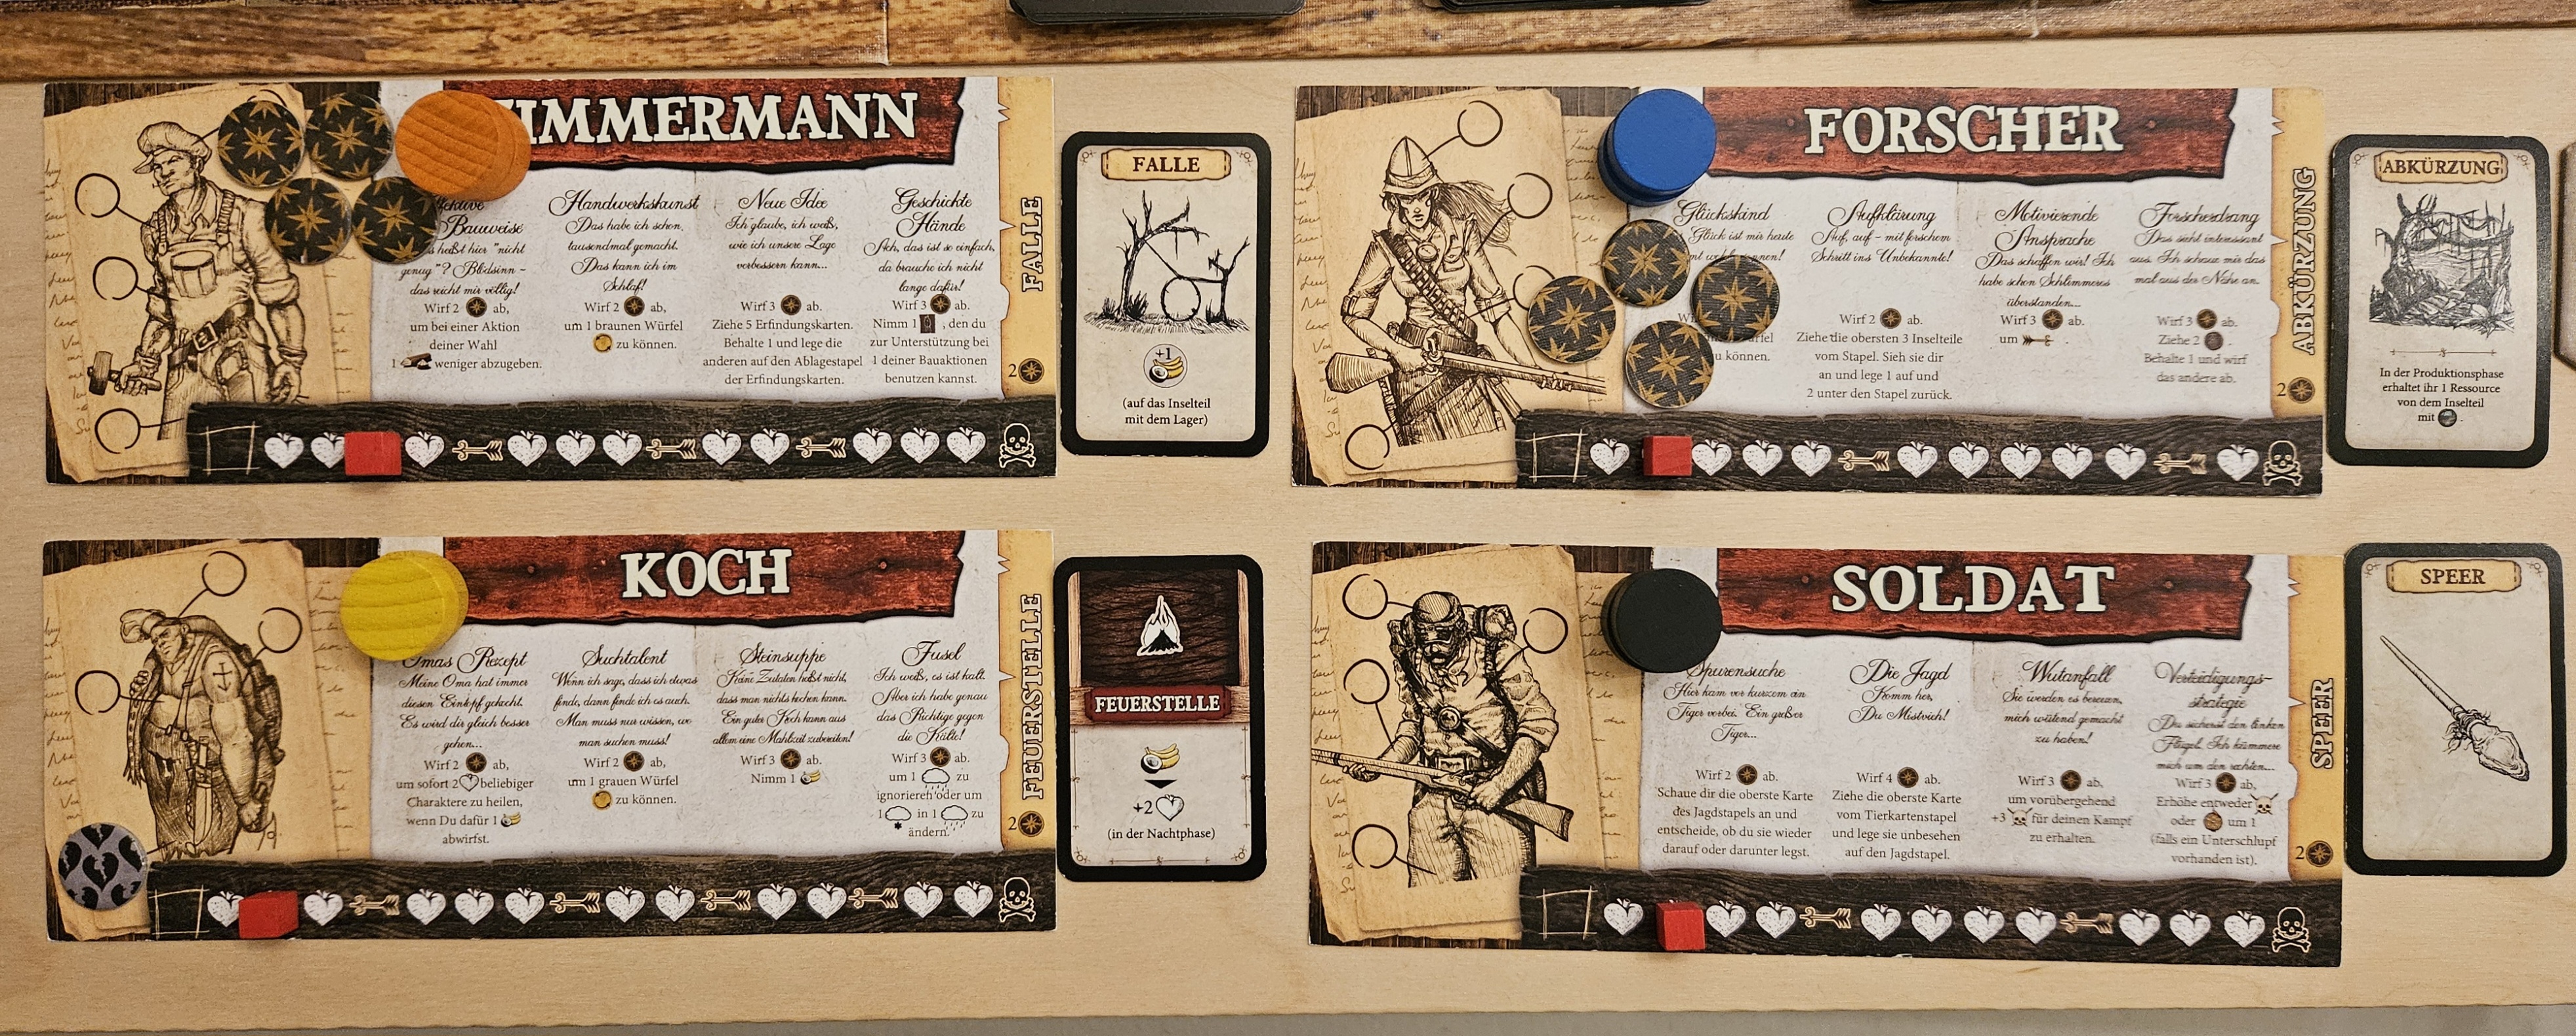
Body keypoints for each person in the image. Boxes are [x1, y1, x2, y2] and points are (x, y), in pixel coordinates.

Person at [1339, 137, 1542, 446]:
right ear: (1395, 201)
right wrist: (1398, 352)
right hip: (1414, 373)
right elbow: (1354, 315)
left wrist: (1532, 368)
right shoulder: (1385, 246)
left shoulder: (1464, 233)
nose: (1416, 207)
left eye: (1422, 196)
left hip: (1465, 366)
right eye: (1407, 199)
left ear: (1433, 193)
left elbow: (1497, 313)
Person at [1345, 591, 1557, 883]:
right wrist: (1382, 764)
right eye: (1425, 638)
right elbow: (1413, 729)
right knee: (1429, 902)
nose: (1433, 647)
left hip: (1493, 799)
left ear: (1460, 628)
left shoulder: (1497, 656)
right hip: (1432, 803)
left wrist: (1499, 786)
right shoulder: (1411, 661)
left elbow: (1538, 722)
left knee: (1507, 898)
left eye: (1442, 636)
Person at [121, 121, 308, 438]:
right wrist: (146, 362)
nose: (164, 172)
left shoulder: (248, 217)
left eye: (173, 161)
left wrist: (290, 360)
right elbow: (163, 312)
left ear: (196, 162)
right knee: (176, 453)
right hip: (185, 367)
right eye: (157, 166)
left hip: (241, 358)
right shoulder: (153, 232)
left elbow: (280, 299)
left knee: (253, 451)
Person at [119, 609, 283, 859]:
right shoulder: (164, 658)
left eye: (166, 635)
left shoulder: (217, 663)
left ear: (184, 631)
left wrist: (243, 800)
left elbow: (234, 735)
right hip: (169, 777)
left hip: (210, 777)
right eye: (155, 639)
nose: (160, 644)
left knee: (214, 854)